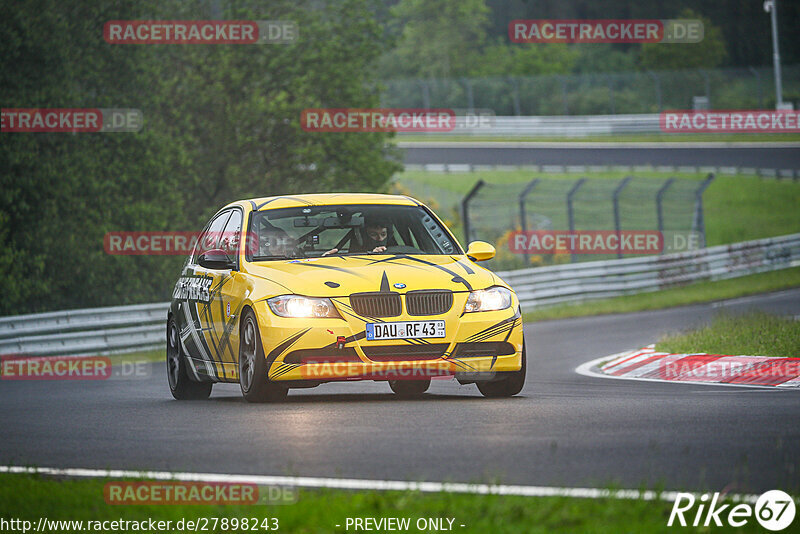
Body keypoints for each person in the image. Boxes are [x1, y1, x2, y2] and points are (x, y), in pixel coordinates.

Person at [323, 217, 389, 255]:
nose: (380, 239)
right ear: (363, 237)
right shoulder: (348, 260)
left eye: (383, 234)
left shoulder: (396, 254)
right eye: (373, 235)